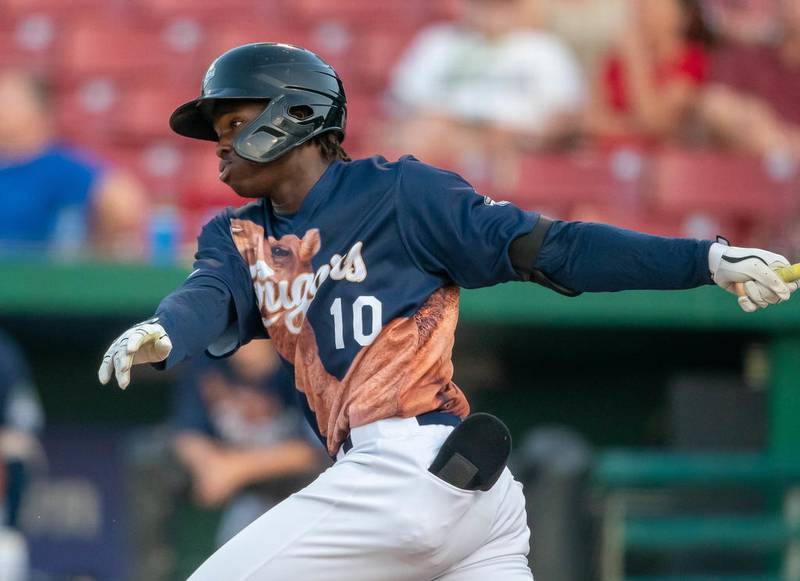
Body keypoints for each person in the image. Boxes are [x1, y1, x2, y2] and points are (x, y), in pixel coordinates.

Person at [98, 43, 796, 580]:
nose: (219, 142)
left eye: (236, 121)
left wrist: (706, 260)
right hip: (463, 492)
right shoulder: (239, 234)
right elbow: (210, 294)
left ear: (298, 116)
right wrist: (165, 330)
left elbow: (551, 246)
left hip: (408, 469)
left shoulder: (403, 193)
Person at [386, 0, 584, 181]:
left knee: (503, 148)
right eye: (483, 5)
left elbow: (564, 116)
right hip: (449, 136)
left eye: (500, 6)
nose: (491, 13)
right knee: (420, 135)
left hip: (518, 143)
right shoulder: (438, 41)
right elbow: (406, 102)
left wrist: (514, 134)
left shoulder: (543, 48)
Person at [171, 339, 323, 546]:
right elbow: (188, 433)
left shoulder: (303, 361)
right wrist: (208, 463)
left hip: (297, 486)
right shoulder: (208, 359)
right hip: (240, 484)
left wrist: (237, 469)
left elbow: (315, 453)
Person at [0, 69, 146, 259]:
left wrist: (99, 246)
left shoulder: (58, 166)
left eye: (9, 101)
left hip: (40, 280)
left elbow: (125, 204)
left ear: (40, 110)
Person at [584, 0, 715, 148]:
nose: (644, 12)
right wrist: (637, 129)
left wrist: (636, 59)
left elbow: (656, 122)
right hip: (610, 156)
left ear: (682, 14)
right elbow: (591, 120)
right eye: (642, 6)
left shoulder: (693, 60)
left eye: (654, 5)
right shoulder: (615, 59)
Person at [699, 0, 800, 158]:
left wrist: (780, 139)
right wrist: (749, 119)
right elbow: (712, 105)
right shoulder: (745, 56)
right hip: (742, 171)